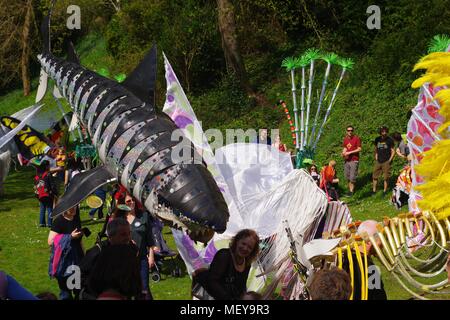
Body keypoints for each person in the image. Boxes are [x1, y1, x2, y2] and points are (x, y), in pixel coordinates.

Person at [193, 229, 260, 300]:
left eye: (250, 247)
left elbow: (241, 286)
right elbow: (212, 281)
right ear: (237, 241)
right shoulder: (224, 255)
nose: (245, 248)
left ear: (253, 250)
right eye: (243, 244)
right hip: (209, 296)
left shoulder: (247, 263)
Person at [79, 218, 135, 299]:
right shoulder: (97, 252)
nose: (128, 238)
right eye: (123, 234)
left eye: (129, 233)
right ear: (111, 236)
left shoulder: (130, 249)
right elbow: (77, 274)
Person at [48, 206, 85, 300]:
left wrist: (84, 255)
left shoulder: (76, 219)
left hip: (76, 258)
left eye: (75, 206)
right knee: (66, 292)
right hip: (64, 261)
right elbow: (50, 241)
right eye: (70, 207)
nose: (74, 209)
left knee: (78, 289)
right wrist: (70, 237)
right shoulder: (59, 221)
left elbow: (80, 241)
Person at [124, 193, 155, 300]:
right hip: (125, 261)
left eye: (133, 200)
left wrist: (151, 256)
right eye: (128, 201)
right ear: (123, 204)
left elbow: (149, 237)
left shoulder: (144, 216)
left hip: (142, 259)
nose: (132, 202)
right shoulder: (120, 219)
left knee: (144, 288)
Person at [349, 220, 387, 300]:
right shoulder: (371, 269)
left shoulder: (346, 258)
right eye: (381, 240)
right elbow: (379, 297)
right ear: (369, 242)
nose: (383, 245)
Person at [372, 126, 395, 195]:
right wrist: (376, 156)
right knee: (374, 175)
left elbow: (393, 151)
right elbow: (376, 148)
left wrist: (390, 160)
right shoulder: (377, 139)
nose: (384, 133)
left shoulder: (390, 140)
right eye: (382, 131)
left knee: (386, 177)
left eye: (385, 131)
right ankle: (374, 190)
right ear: (380, 132)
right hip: (378, 160)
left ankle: (385, 191)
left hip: (386, 161)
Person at [34, 160, 56, 227]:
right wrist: (55, 192)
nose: (49, 166)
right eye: (49, 165)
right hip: (48, 194)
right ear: (46, 166)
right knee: (49, 208)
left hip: (40, 194)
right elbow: (52, 184)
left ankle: (42, 223)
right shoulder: (48, 174)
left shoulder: (37, 176)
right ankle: (50, 223)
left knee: (42, 208)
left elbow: (35, 186)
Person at [342, 125, 361, 196]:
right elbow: (345, 147)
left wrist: (350, 152)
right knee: (347, 176)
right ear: (346, 131)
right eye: (348, 130)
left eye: (351, 130)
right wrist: (343, 153)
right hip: (347, 160)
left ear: (353, 131)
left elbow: (359, 149)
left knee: (352, 177)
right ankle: (350, 190)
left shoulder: (356, 138)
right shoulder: (345, 139)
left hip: (354, 160)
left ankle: (351, 191)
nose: (350, 132)